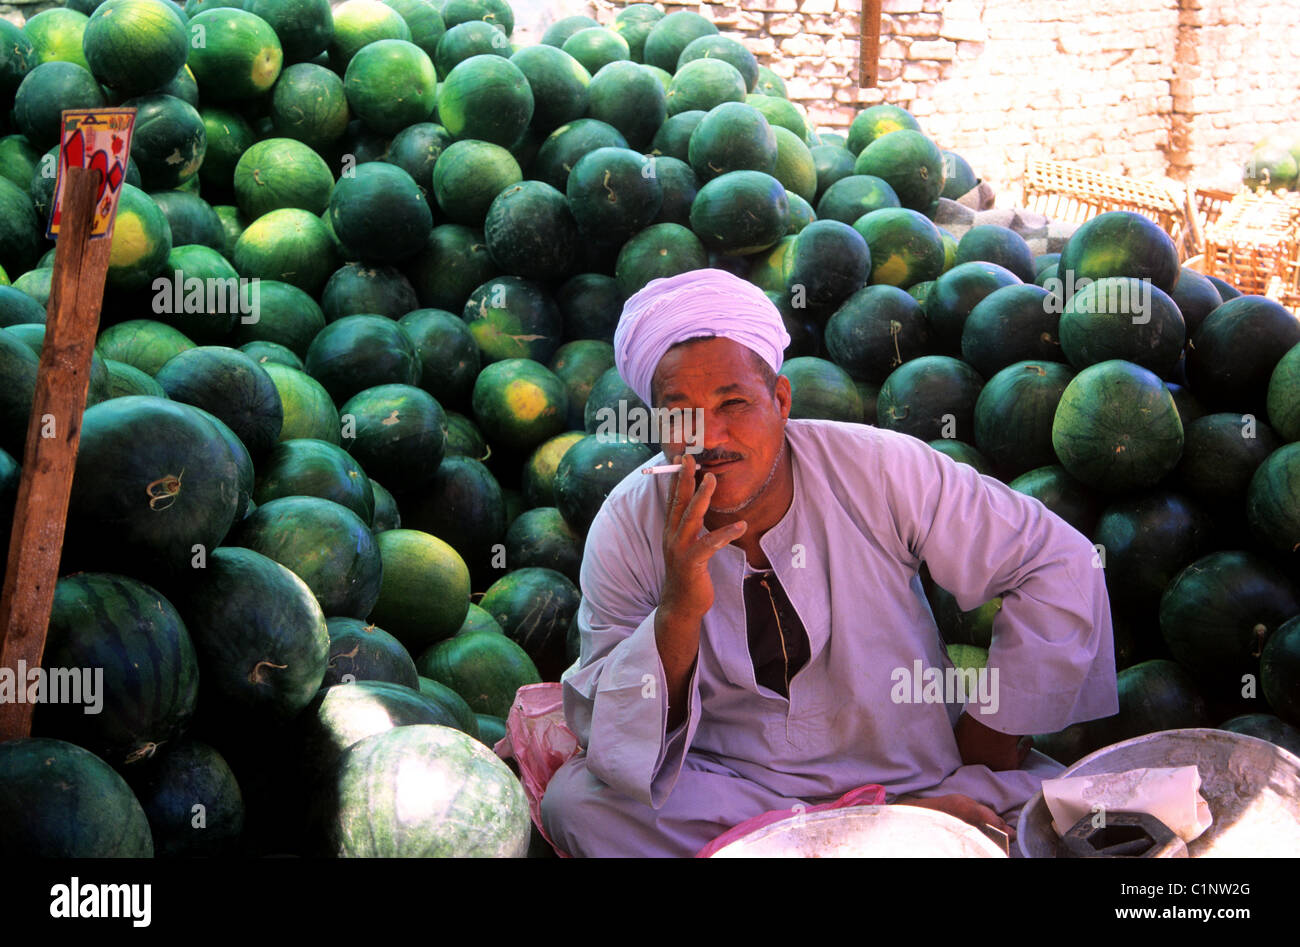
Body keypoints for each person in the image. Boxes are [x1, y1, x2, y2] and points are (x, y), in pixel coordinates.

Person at [540, 268, 1117, 857]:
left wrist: (992, 736)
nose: (706, 435)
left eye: (733, 402)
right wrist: (678, 612)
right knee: (578, 807)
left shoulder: (878, 468)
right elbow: (608, 726)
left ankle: (861, 829)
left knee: (1070, 820)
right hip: (737, 789)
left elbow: (1056, 560)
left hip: (914, 772)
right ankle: (869, 831)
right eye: (677, 412)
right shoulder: (629, 520)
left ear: (780, 401)